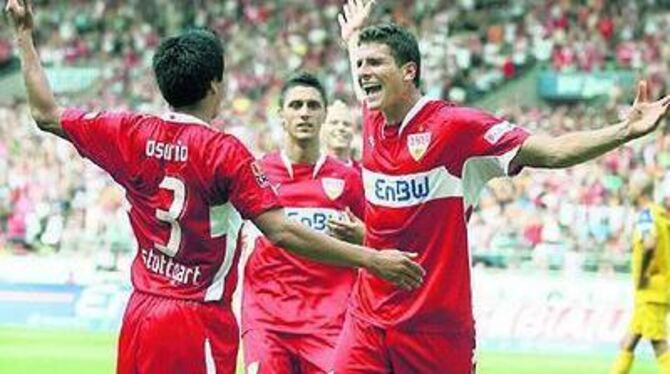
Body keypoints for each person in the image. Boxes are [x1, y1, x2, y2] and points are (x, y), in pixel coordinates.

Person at [5, 1, 425, 373]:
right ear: (215, 86)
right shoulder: (225, 152)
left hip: (140, 314)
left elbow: (45, 114)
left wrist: (23, 36)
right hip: (196, 319)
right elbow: (280, 231)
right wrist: (370, 258)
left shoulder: (128, 132)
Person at [335, 0, 670, 372]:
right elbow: (361, 75)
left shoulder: (454, 128)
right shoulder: (372, 115)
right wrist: (353, 39)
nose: (364, 72)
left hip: (434, 327)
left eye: (375, 63)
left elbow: (553, 151)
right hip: (368, 318)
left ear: (409, 71)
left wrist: (625, 130)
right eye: (361, 65)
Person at [242, 72, 365, 374]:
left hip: (329, 323)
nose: (304, 113)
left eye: (312, 106)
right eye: (296, 105)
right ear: (281, 115)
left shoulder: (348, 180)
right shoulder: (255, 173)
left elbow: (378, 239)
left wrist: (363, 235)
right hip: (267, 320)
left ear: (324, 115)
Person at [611, 174, 670, 374]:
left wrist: (643, 273)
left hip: (650, 290)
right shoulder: (662, 215)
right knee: (629, 340)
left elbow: (649, 244)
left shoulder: (647, 215)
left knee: (658, 342)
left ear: (639, 191)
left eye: (631, 188)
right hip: (658, 288)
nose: (628, 191)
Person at [323, 99, 362, 172]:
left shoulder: (362, 174)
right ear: (322, 128)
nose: (341, 128)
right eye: (334, 123)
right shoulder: (312, 170)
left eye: (346, 124)